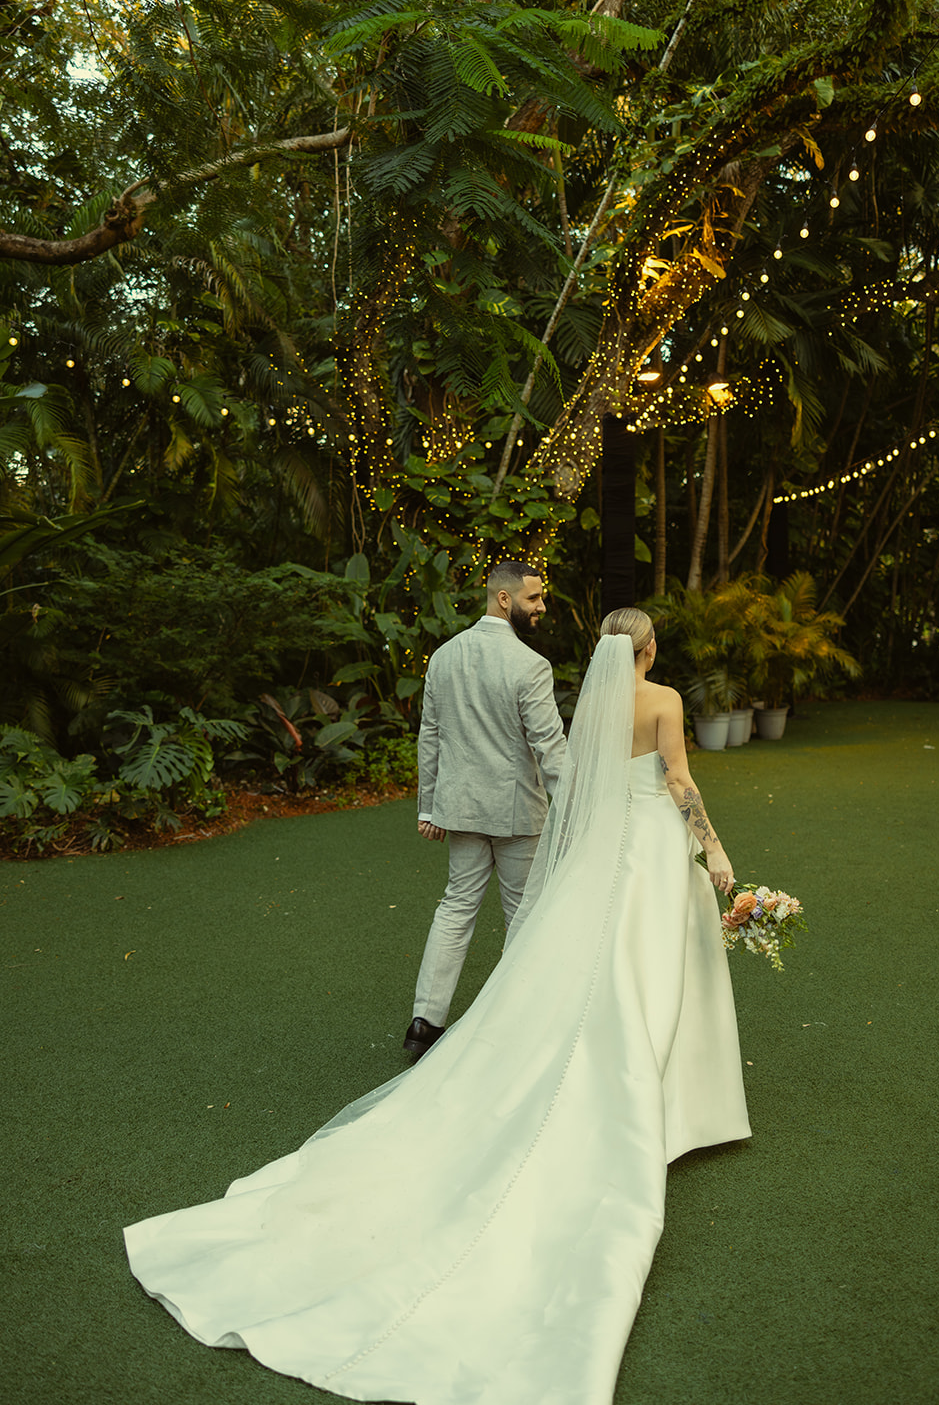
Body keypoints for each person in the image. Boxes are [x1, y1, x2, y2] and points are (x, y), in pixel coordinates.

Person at [124, 608, 750, 1405]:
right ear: (651, 648)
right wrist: (714, 848)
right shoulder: (660, 698)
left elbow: (579, 783)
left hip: (599, 851)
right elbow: (679, 780)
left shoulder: (587, 705)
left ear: (601, 650)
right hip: (653, 846)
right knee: (646, 965)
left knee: (589, 962)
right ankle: (666, 1101)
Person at [405, 559, 568, 1060]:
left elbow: (429, 735)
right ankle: (514, 1023)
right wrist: (576, 806)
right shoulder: (530, 665)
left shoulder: (444, 657)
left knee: (455, 909)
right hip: (518, 814)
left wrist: (428, 807)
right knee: (523, 914)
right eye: (533, 598)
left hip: (460, 810)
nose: (541, 607)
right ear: (504, 599)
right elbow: (550, 748)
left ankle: (424, 1022)